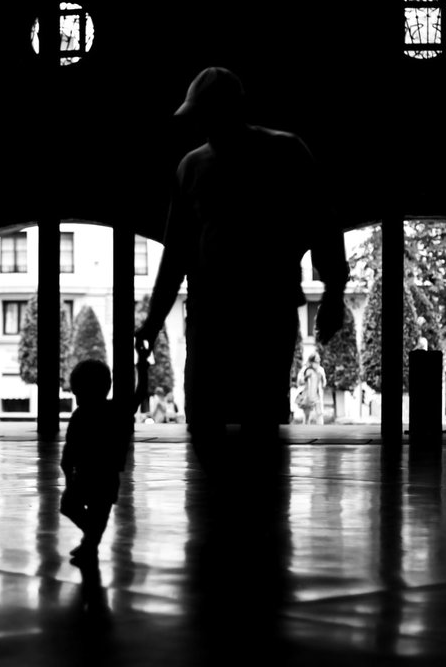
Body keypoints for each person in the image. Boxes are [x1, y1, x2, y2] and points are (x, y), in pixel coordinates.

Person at [134, 66, 348, 438]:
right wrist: (332, 293)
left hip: (248, 311)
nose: (202, 125)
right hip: (240, 310)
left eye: (205, 115)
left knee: (244, 418)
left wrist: (334, 294)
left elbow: (176, 258)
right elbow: (323, 225)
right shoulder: (279, 152)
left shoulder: (201, 166)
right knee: (229, 418)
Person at [60, 343, 152, 561]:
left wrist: (68, 476)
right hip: (109, 476)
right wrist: (142, 365)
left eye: (77, 393)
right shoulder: (116, 410)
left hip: (84, 474)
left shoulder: (80, 415)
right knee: (99, 514)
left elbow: (68, 451)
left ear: (79, 391)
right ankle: (91, 541)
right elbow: (140, 393)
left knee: (69, 506)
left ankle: (89, 543)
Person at [296, 352, 327, 425]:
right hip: (307, 396)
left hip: (317, 396)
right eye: (316, 361)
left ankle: (320, 434)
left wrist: (322, 379)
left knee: (319, 414)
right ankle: (306, 433)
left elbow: (324, 384)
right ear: (311, 361)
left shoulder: (321, 370)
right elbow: (299, 382)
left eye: (319, 361)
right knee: (307, 416)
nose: (318, 363)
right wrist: (306, 377)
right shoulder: (305, 369)